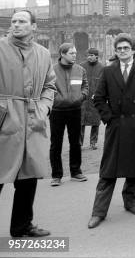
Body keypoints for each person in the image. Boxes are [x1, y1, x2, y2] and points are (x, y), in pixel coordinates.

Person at [88, 34, 135, 229]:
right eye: (119, 49)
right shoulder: (108, 72)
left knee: (134, 166)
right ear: (115, 51)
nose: (122, 51)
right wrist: (108, 118)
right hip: (116, 126)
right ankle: (98, 212)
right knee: (108, 170)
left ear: (133, 50)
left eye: (126, 48)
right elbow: (98, 98)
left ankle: (131, 201)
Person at [0, 10, 55, 237]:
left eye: (22, 21)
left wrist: (43, 108)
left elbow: (49, 86)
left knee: (28, 177)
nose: (16, 25)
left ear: (34, 26)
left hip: (34, 119)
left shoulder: (43, 53)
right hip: (5, 120)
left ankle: (22, 225)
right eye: (13, 22)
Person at [49, 43, 89, 186]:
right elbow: (48, 88)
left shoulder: (80, 70)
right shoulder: (52, 70)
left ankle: (76, 171)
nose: (74, 55)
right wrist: (58, 100)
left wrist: (80, 97)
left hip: (75, 110)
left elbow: (85, 86)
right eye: (71, 53)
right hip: (57, 111)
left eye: (75, 52)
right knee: (56, 144)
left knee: (76, 142)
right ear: (62, 54)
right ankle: (56, 175)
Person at [80, 48, 104, 150]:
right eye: (88, 55)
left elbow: (103, 83)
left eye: (91, 55)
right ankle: (79, 143)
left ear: (96, 56)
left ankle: (93, 142)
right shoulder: (81, 66)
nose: (89, 57)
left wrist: (98, 94)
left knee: (95, 122)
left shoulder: (102, 68)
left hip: (95, 99)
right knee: (81, 121)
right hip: (83, 99)